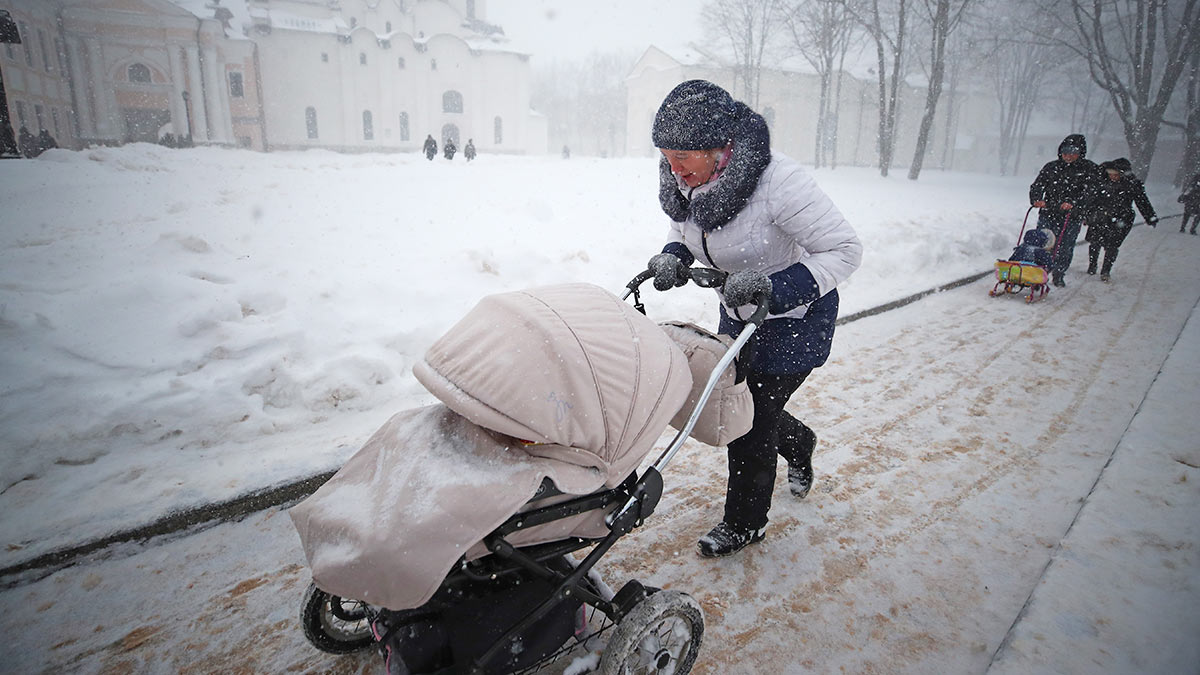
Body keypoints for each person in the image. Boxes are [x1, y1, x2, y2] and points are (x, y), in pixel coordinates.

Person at [646, 80, 862, 558]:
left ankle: (745, 523)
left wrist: (777, 289)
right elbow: (686, 223)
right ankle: (799, 440)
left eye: (683, 156)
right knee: (741, 401)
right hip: (739, 311)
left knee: (749, 419)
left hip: (797, 316)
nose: (673, 168)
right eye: (665, 155)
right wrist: (673, 253)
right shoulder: (688, 178)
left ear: (721, 148)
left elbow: (845, 250)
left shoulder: (780, 183)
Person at [1028, 134, 1100, 287]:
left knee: (1065, 245)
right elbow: (1038, 184)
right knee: (1043, 242)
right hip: (1049, 211)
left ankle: (1059, 273)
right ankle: (1039, 272)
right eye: (1065, 152)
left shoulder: (1089, 169)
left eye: (1073, 152)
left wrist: (1074, 203)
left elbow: (1091, 193)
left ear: (1080, 153)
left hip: (1071, 215)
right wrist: (1036, 199)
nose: (1068, 156)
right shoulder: (1051, 167)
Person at [1085, 158, 1158, 282]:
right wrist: (1087, 215)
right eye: (1111, 174)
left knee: (1112, 246)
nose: (1113, 177)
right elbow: (1091, 199)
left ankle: (1106, 270)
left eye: (1116, 174)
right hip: (1100, 216)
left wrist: (1150, 216)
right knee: (1095, 242)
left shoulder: (1133, 184)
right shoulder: (1101, 181)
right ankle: (1092, 265)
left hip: (1121, 219)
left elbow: (1142, 201)